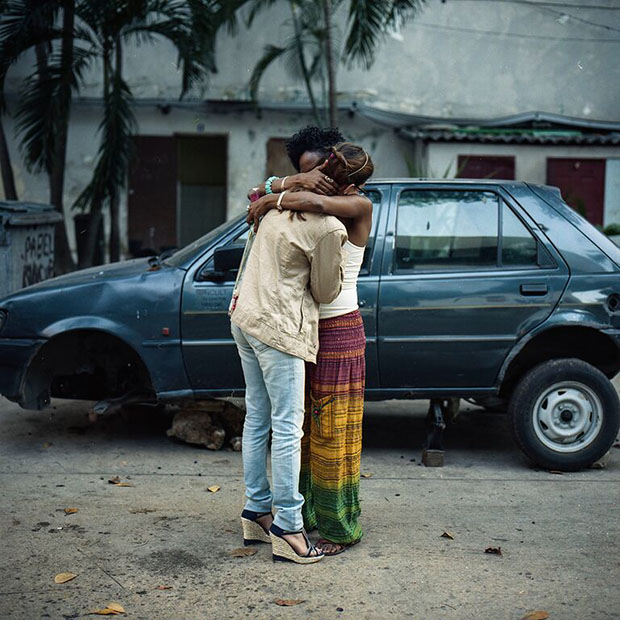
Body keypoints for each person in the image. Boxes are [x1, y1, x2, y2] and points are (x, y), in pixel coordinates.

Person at [247, 140, 374, 556]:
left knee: (332, 434)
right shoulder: (314, 201)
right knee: (300, 436)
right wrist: (279, 191)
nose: (317, 180)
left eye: (324, 172)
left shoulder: (358, 207)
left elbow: (312, 205)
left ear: (341, 178)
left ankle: (339, 528)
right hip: (302, 329)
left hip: (338, 331)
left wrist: (277, 195)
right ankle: (305, 517)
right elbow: (262, 194)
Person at [230, 176, 348, 564]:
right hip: (279, 330)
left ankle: (256, 511)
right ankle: (289, 527)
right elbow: (326, 291)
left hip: (245, 317)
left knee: (257, 417)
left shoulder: (272, 205)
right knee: (287, 427)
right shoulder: (329, 226)